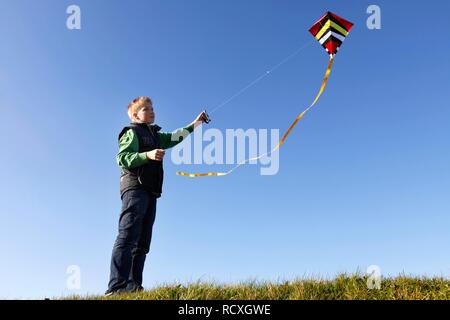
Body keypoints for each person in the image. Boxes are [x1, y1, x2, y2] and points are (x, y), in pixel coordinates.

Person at [105, 96, 208, 295]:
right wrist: (148, 155)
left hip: (151, 190)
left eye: (152, 108)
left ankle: (133, 287)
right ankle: (116, 287)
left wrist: (196, 123)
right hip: (134, 188)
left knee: (143, 242)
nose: (152, 111)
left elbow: (176, 136)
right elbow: (122, 158)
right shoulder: (131, 132)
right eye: (146, 109)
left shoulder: (155, 134)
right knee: (128, 236)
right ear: (135, 115)